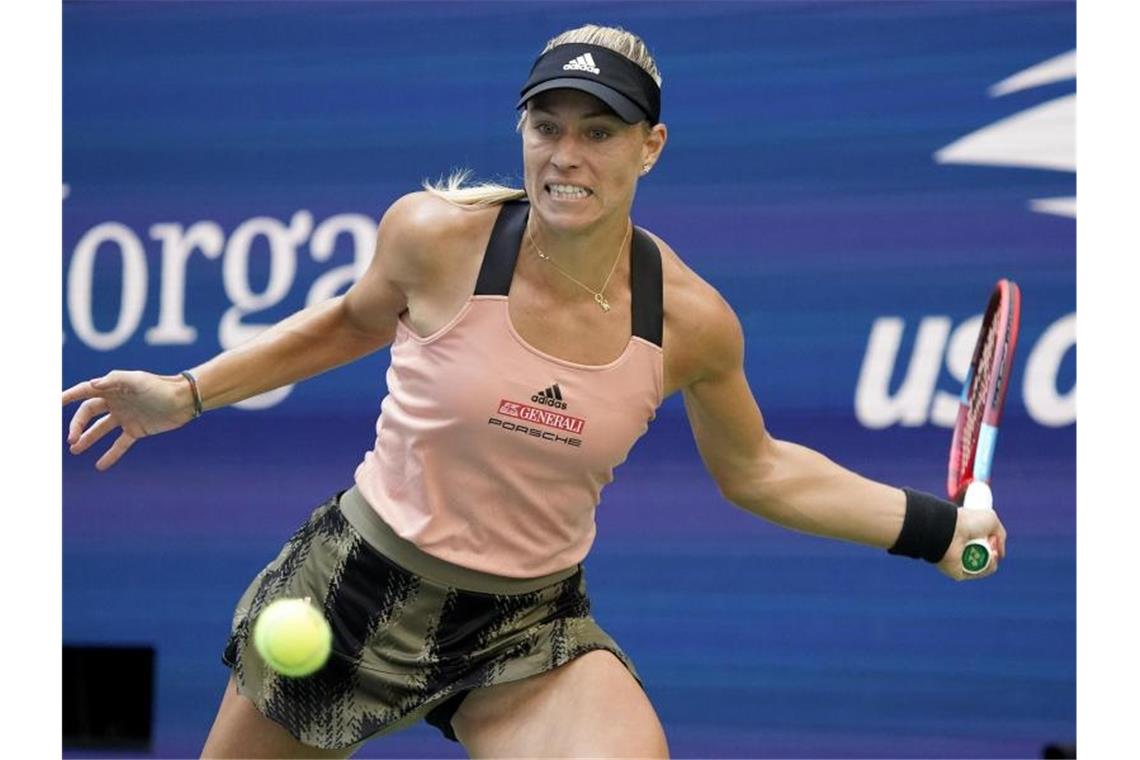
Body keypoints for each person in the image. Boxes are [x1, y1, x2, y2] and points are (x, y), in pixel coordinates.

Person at [62, 23, 1007, 759]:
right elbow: (350, 322)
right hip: (353, 594)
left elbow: (758, 468)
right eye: (546, 126)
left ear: (652, 147)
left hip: (526, 626)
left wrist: (932, 531)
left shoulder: (691, 320)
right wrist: (183, 395)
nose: (566, 154)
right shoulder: (436, 237)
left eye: (600, 132)